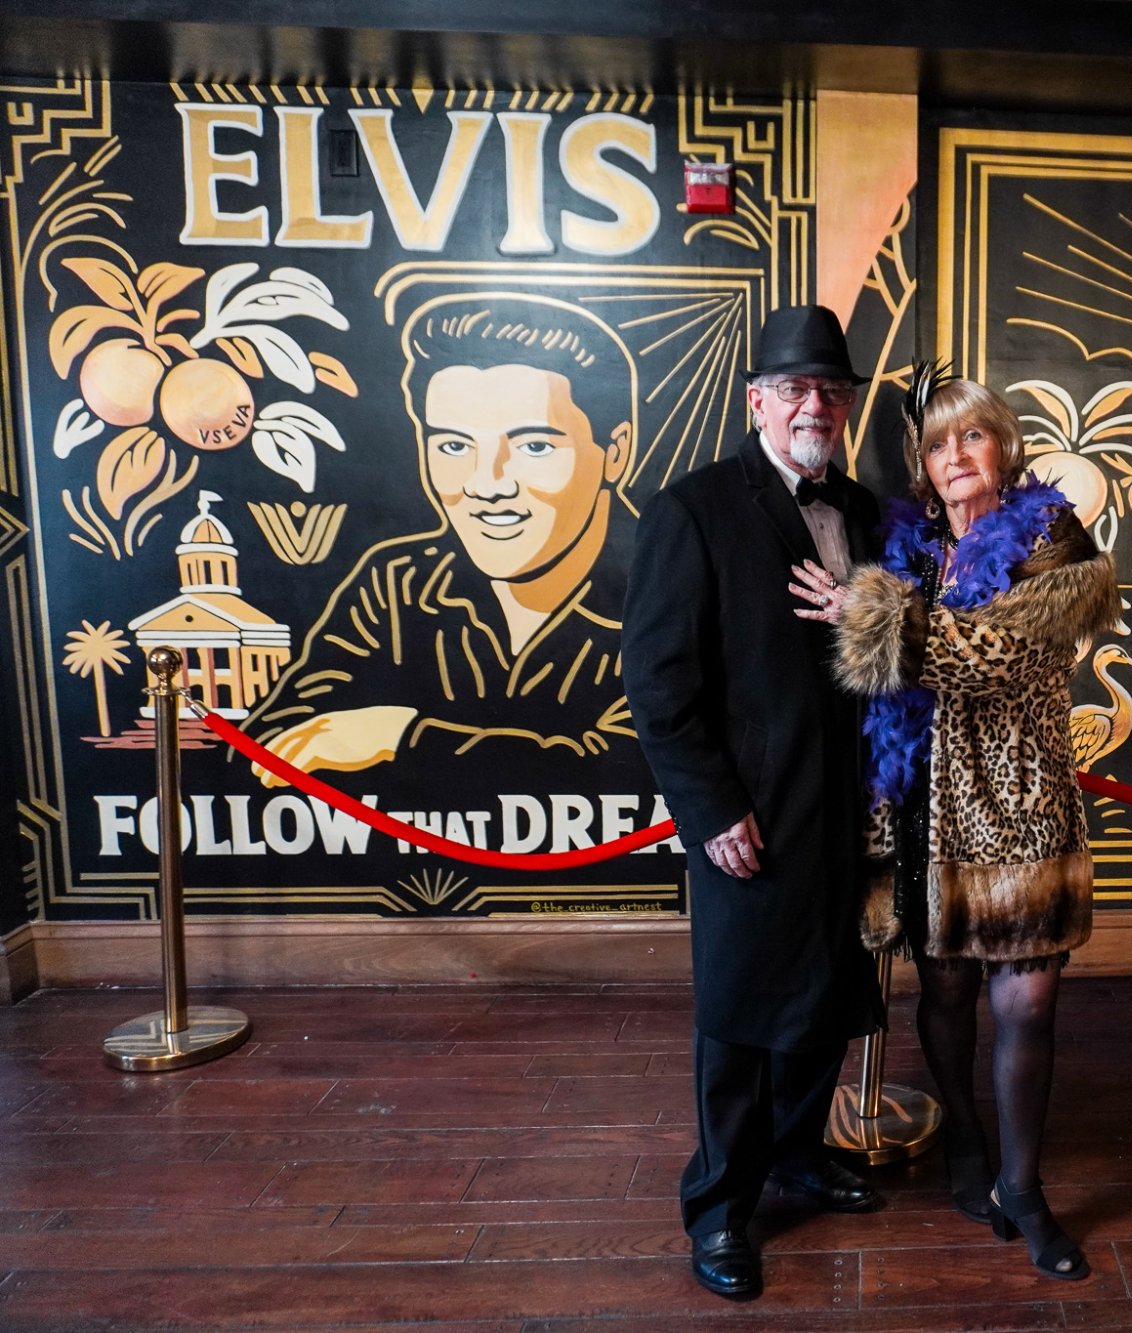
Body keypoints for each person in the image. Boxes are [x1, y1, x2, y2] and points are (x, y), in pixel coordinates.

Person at [792, 372, 1119, 1281]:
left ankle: (1025, 1186)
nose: (957, 457)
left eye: (973, 437)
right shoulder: (910, 542)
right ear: (923, 465)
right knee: (942, 992)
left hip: (1017, 798)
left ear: (1001, 445)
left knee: (1029, 998)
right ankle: (966, 1138)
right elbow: (885, 678)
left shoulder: (1051, 536)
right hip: (923, 800)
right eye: (939, 445)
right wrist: (878, 609)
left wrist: (874, 615)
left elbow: (1007, 658)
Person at [623, 305, 885, 1302]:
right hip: (749, 816)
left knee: (824, 996)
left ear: (845, 405)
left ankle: (798, 1155)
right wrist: (711, 809)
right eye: (793, 389)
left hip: (847, 810)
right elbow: (657, 683)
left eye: (828, 389)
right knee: (736, 1017)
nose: (811, 404)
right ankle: (722, 1207)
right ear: (756, 402)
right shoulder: (694, 510)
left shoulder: (863, 510)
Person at [250, 292, 636, 785]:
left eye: (533, 446)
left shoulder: (675, 592)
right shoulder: (398, 583)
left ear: (615, 452)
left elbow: (631, 767)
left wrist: (401, 739)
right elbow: (281, 744)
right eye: (454, 446)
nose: (486, 483)